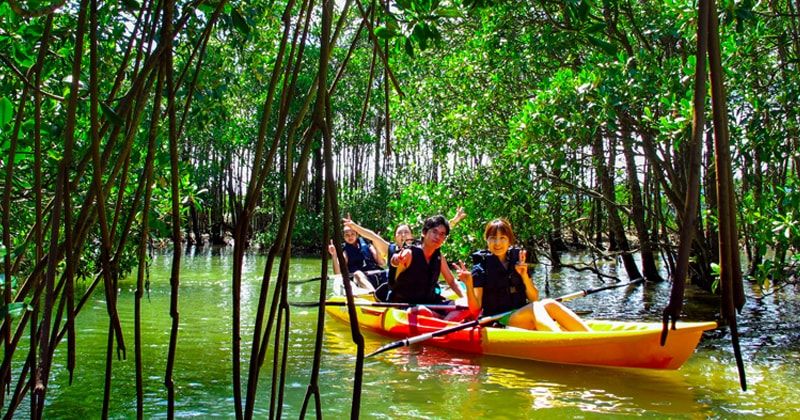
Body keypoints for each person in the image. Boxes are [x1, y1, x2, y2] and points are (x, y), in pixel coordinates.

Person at [454, 219, 589, 331]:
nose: (497, 243)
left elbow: (534, 297)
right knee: (535, 307)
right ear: (487, 241)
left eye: (502, 238)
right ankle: (559, 340)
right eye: (493, 238)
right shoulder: (480, 269)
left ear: (509, 241)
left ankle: (588, 334)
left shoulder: (518, 262)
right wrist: (469, 285)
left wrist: (524, 276)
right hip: (499, 320)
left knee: (550, 303)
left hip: (522, 314)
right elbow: (475, 308)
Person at [389, 215, 465, 306]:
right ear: (424, 233)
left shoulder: (439, 257)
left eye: (442, 234)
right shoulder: (409, 253)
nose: (437, 237)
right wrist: (396, 260)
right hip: (405, 305)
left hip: (429, 303)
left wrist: (464, 297)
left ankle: (439, 316)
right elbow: (395, 261)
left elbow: (452, 281)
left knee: (463, 305)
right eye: (434, 232)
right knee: (423, 311)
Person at [328, 224, 386, 292]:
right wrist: (334, 255)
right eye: (347, 235)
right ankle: (373, 294)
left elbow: (382, 263)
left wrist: (377, 246)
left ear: (357, 235)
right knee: (357, 273)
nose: (350, 237)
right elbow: (338, 273)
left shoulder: (367, 244)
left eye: (352, 234)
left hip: (375, 275)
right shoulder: (345, 251)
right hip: (359, 280)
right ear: (344, 237)